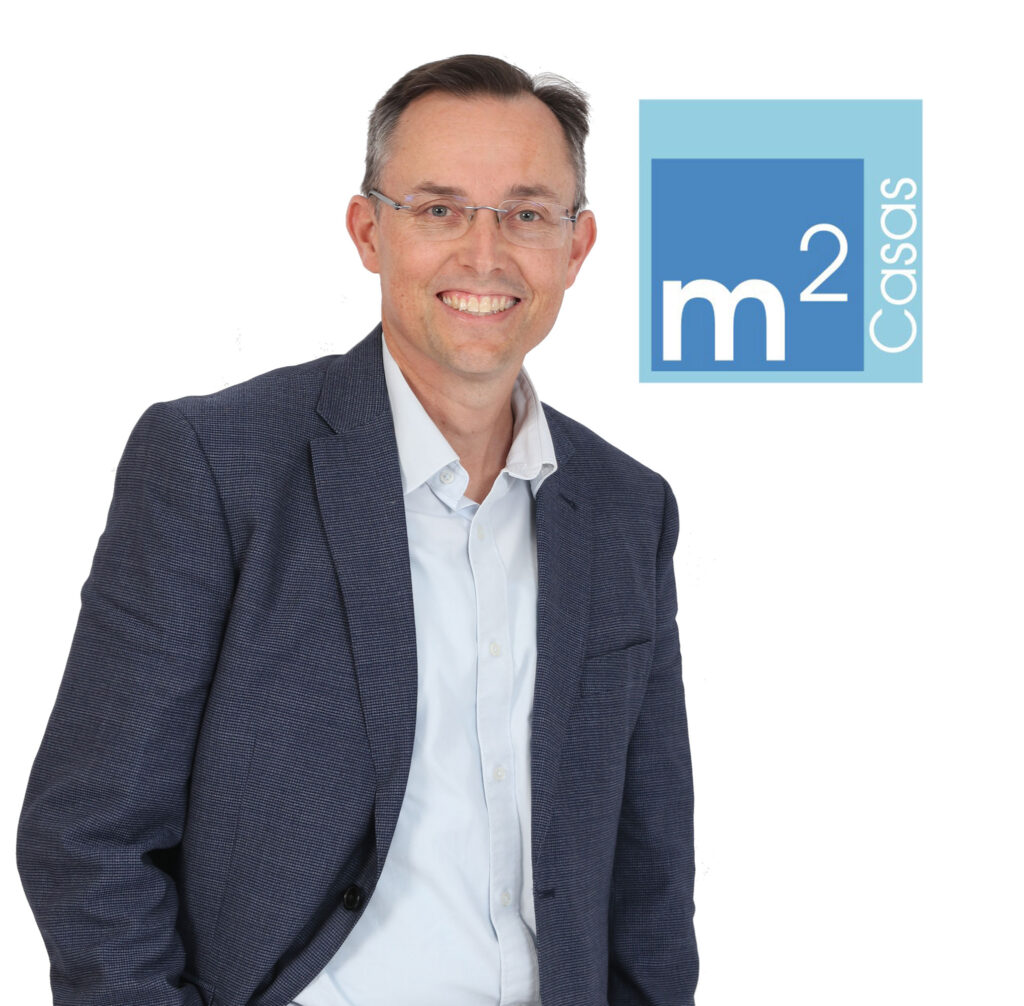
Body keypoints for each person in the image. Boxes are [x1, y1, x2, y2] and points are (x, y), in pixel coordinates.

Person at [17, 54, 698, 1006]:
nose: (485, 254)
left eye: (526, 214)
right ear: (368, 231)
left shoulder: (626, 509)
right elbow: (88, 835)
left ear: (576, 247)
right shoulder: (217, 466)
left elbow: (650, 871)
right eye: (439, 208)